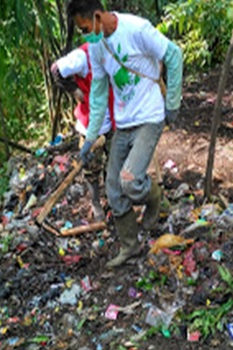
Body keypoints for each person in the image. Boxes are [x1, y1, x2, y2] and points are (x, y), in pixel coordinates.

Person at [68, 0, 183, 268]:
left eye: (85, 28)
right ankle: (131, 246)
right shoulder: (96, 46)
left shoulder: (137, 29)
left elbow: (174, 55)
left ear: (98, 16)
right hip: (124, 122)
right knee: (114, 189)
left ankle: (154, 196)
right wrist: (90, 138)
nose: (86, 34)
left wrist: (173, 104)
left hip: (150, 117)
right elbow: (97, 93)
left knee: (130, 181)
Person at [51, 44, 117, 222]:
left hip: (112, 119)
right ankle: (95, 202)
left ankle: (112, 200)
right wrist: (75, 91)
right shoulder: (82, 56)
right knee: (91, 167)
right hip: (89, 123)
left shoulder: (116, 50)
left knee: (114, 163)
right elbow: (57, 69)